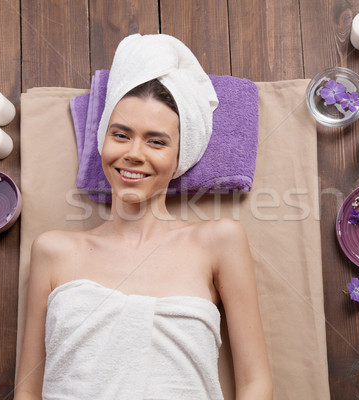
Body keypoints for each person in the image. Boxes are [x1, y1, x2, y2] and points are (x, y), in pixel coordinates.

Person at [15, 34, 272, 400]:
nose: (134, 154)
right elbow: (28, 390)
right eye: (121, 135)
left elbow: (256, 382)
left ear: (179, 155)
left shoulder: (218, 242)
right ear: (103, 141)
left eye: (156, 141)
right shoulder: (53, 250)